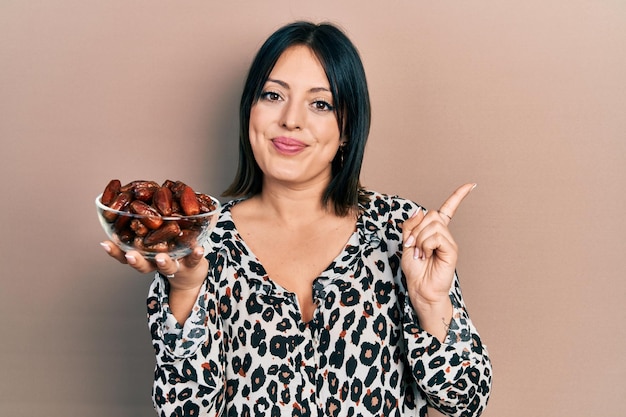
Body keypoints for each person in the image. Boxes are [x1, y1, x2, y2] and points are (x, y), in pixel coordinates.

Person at [101, 21, 492, 417]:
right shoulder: (201, 242)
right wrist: (185, 291)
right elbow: (184, 411)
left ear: (346, 129)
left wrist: (431, 301)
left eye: (320, 103)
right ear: (249, 111)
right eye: (272, 95)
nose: (290, 119)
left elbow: (466, 400)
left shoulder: (402, 231)